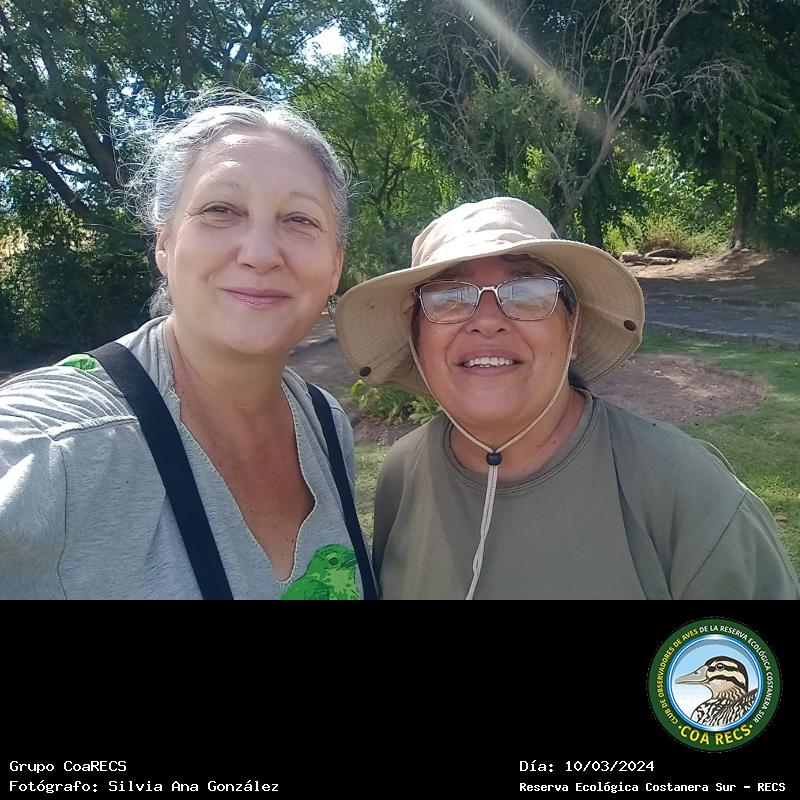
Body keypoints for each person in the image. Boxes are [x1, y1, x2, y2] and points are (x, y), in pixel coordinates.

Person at [0, 92, 374, 600]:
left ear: (334, 265)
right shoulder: (61, 447)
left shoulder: (325, 426)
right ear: (164, 243)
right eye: (220, 210)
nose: (261, 253)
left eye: (299, 220)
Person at [335, 196, 800, 599]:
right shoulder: (403, 473)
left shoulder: (690, 496)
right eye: (449, 297)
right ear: (417, 339)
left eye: (527, 292)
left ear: (573, 330)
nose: (487, 321)